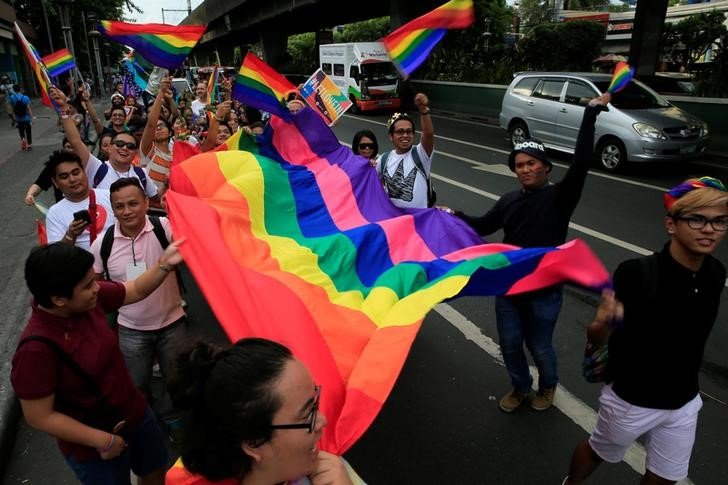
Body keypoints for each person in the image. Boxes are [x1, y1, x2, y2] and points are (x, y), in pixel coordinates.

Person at [452, 93, 611, 413]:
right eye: (519, 165)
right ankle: (520, 386)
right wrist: (451, 215)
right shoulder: (509, 200)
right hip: (509, 286)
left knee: (539, 345)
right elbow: (483, 226)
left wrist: (591, 114)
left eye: (531, 164)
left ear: (546, 168)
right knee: (510, 343)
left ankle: (548, 385)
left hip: (545, 290)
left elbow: (581, 162)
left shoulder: (560, 197)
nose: (524, 170)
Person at [564, 177, 728, 485]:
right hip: (631, 399)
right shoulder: (636, 273)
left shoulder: (716, 273)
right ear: (671, 224)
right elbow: (597, 338)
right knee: (598, 451)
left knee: (665, 478)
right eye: (697, 219)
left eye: (720, 222)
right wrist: (605, 324)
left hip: (684, 401)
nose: (709, 230)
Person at [10, 237, 184, 485]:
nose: (97, 287)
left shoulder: (88, 302)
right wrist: (101, 440)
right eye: (88, 285)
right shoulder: (35, 350)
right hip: (95, 445)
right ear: (59, 299)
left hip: (135, 414)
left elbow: (134, 289)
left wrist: (165, 264)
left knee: (156, 470)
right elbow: (39, 416)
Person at [165, 338, 363, 485]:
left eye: (315, 402)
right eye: (307, 415)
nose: (323, 421)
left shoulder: (330, 471)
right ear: (253, 442)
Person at [90, 177, 186, 437]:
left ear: (146, 203)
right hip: (131, 330)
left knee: (176, 380)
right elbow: (94, 283)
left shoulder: (162, 227)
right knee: (136, 383)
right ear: (113, 209)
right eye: (119, 206)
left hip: (173, 322)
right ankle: (147, 419)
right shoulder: (103, 244)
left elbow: (189, 236)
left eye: (133, 203)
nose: (127, 211)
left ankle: (172, 417)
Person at [50, 86, 159, 202]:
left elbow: (157, 198)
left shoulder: (141, 174)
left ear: (135, 152)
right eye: (119, 144)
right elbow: (75, 141)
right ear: (110, 148)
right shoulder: (97, 168)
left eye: (130, 146)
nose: (125, 148)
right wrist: (63, 108)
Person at [44, 150, 116, 250]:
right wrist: (70, 235)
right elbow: (55, 254)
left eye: (76, 173)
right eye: (64, 177)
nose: (72, 179)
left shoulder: (110, 196)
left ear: (84, 172)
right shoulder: (54, 213)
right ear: (55, 182)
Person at [375, 93, 434, 209]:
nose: (405, 135)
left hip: (419, 222)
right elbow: (367, 180)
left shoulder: (420, 154)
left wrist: (423, 111)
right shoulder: (384, 159)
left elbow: (428, 134)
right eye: (400, 132)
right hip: (395, 222)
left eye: (409, 131)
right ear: (391, 136)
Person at [140, 78, 174, 197]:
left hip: (170, 208)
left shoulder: (176, 154)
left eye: (162, 126)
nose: (158, 129)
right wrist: (161, 92)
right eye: (156, 127)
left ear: (170, 132)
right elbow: (151, 124)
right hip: (152, 208)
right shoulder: (149, 150)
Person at [24, 138, 75, 205]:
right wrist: (30, 195)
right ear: (63, 149)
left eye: (74, 147)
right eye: (68, 147)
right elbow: (40, 183)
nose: (71, 150)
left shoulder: (88, 163)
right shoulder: (55, 165)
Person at [10, 84, 32, 150]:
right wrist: (31, 117)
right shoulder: (26, 97)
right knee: (28, 131)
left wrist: (14, 118)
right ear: (20, 89)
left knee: (21, 130)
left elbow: (12, 108)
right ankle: (29, 145)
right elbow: (29, 108)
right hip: (26, 118)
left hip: (18, 118)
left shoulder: (12, 97)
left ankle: (23, 139)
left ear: (13, 90)